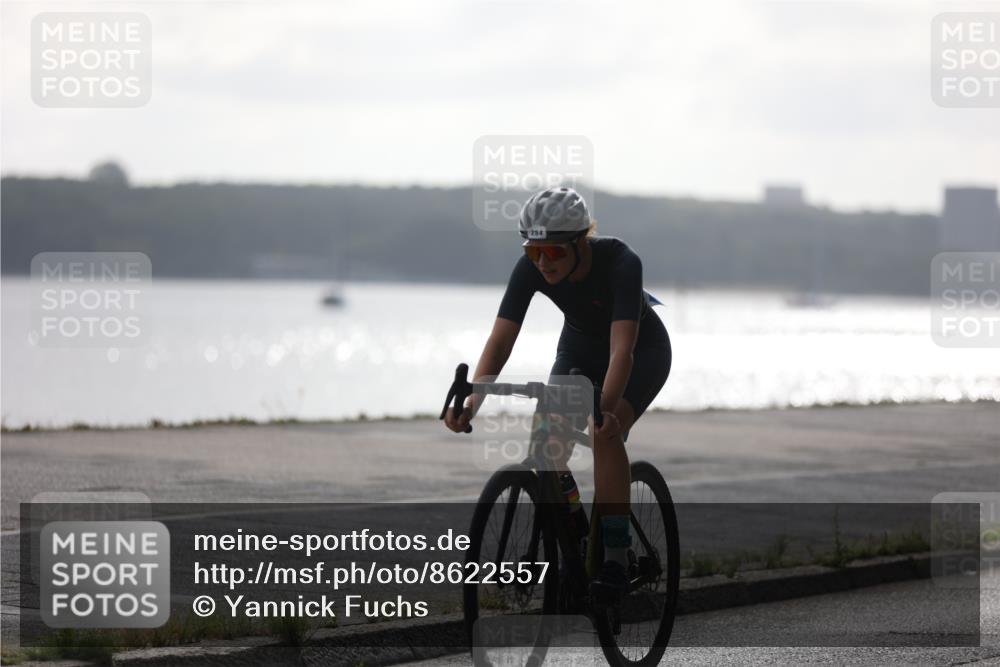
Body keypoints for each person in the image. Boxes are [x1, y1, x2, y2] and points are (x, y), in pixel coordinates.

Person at [443, 186, 672, 600]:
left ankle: (616, 558)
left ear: (581, 241)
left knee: (605, 433)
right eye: (535, 252)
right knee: (549, 444)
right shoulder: (530, 267)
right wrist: (475, 401)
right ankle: (576, 543)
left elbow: (623, 350)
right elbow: (500, 343)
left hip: (641, 351)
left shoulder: (622, 262)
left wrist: (605, 410)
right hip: (579, 349)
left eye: (553, 252)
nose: (543, 262)